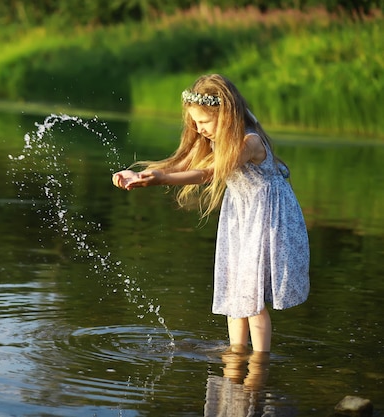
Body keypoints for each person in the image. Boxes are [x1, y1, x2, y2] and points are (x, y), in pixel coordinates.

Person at [112, 74, 309, 354]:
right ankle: (236, 354)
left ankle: (258, 368)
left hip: (266, 218)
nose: (199, 129)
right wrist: (143, 174)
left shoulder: (248, 142)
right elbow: (182, 163)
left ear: (226, 114)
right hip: (241, 216)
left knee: (251, 296)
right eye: (195, 123)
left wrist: (160, 180)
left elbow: (208, 173)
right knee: (234, 290)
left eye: (204, 122)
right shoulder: (215, 138)